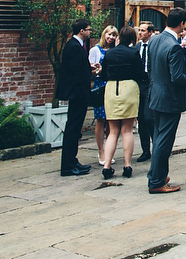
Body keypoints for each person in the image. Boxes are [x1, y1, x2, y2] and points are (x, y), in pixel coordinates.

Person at [147, 8, 186, 193]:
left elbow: (150, 68)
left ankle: (155, 174)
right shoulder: (174, 46)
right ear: (182, 24)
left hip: (155, 95)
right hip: (169, 98)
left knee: (159, 137)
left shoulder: (154, 40)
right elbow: (177, 77)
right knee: (164, 141)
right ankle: (157, 182)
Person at [100, 26, 146, 179]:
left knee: (113, 131)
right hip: (129, 87)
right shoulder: (133, 53)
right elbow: (140, 73)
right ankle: (127, 165)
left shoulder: (110, 53)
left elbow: (104, 74)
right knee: (127, 130)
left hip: (112, 88)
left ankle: (107, 166)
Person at [58, 19, 93, 177]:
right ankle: (68, 165)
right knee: (73, 128)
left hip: (78, 93)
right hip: (77, 94)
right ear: (81, 31)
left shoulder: (76, 46)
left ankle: (72, 161)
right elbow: (75, 73)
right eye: (88, 30)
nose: (90, 32)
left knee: (74, 128)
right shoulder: (74, 47)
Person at [89, 25, 118, 165]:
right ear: (104, 34)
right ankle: (101, 151)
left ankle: (108, 150)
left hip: (112, 85)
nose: (111, 37)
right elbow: (89, 71)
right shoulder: (95, 50)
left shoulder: (115, 51)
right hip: (100, 85)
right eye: (109, 34)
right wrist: (98, 71)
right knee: (101, 119)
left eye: (114, 35)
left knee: (111, 120)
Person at [135, 21, 156, 163]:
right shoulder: (137, 47)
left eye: (143, 30)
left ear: (150, 32)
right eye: (139, 30)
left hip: (151, 83)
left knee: (149, 117)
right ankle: (145, 150)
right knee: (141, 118)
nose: (140, 33)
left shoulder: (154, 46)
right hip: (139, 85)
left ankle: (157, 147)